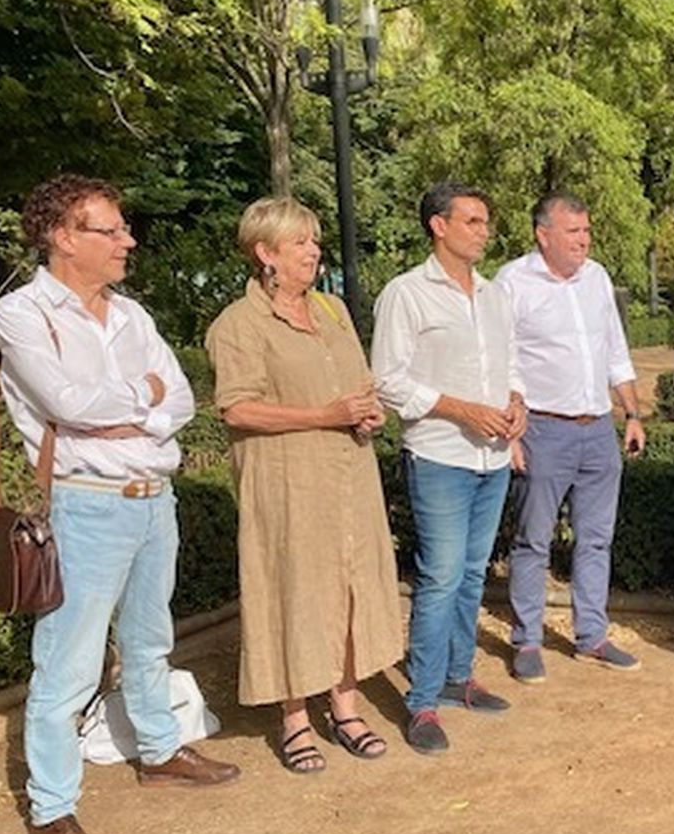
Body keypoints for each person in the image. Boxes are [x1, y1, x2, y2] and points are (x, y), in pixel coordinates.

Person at [0, 175, 239, 834]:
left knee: (149, 639)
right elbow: (67, 402)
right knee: (67, 664)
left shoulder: (132, 316)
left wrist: (135, 408)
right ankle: (50, 813)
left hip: (151, 499)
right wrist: (142, 399)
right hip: (84, 503)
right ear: (63, 237)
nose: (128, 240)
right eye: (112, 230)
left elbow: (185, 397)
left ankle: (159, 750)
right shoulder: (23, 315)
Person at [205, 198, 403, 773]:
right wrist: (326, 413)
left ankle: (345, 704)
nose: (313, 251)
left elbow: (360, 386)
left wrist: (368, 413)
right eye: (299, 243)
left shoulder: (333, 309)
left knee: (348, 588)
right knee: (293, 590)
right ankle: (293, 718)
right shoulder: (237, 325)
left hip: (349, 477)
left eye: (314, 241)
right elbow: (237, 410)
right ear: (265, 253)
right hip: (287, 483)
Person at [372, 182, 527, 755]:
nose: (484, 230)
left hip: (492, 458)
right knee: (438, 578)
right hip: (440, 454)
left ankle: (460, 678)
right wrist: (462, 411)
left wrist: (517, 405)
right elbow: (388, 380)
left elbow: (510, 363)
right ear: (438, 225)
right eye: (473, 221)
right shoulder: (406, 295)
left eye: (485, 221)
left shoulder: (492, 296)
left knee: (470, 573)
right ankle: (423, 702)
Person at [499, 192, 644, 683]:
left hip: (598, 429)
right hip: (542, 429)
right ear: (544, 235)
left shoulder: (597, 277)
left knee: (597, 540)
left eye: (586, 231)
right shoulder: (513, 283)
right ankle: (527, 640)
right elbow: (502, 363)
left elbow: (615, 351)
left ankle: (592, 637)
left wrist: (633, 413)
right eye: (574, 232)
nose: (585, 240)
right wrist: (512, 436)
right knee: (533, 540)